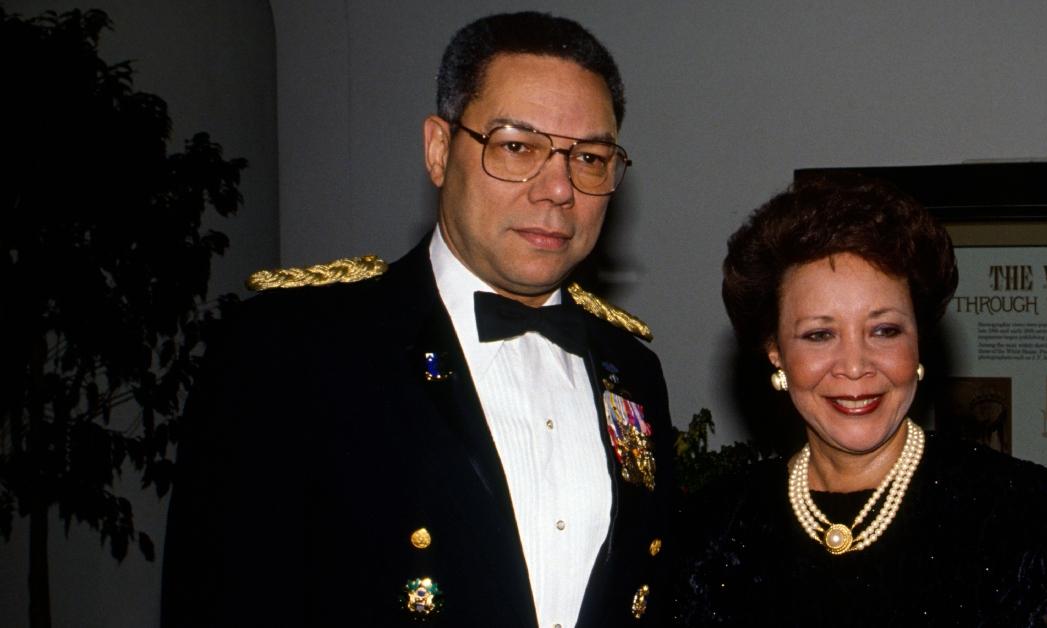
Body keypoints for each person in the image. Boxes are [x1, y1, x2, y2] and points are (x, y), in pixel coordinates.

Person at [162, 12, 672, 628]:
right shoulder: (290, 348)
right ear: (438, 149)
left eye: (589, 158)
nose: (558, 189)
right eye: (516, 146)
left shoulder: (635, 372)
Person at [672, 172, 1047, 626]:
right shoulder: (717, 522)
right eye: (819, 335)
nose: (855, 366)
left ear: (918, 342)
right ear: (776, 351)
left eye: (884, 330)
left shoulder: (1009, 510)